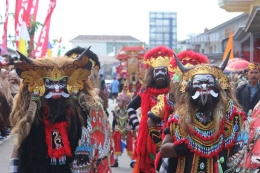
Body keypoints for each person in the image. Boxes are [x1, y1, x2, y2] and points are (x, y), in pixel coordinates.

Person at [9, 49, 113, 173]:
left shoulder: (87, 111)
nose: (57, 87)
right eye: (49, 82)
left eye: (62, 81)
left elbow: (101, 155)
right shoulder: (32, 113)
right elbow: (19, 145)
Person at [160, 51, 246, 172]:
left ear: (219, 86)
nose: (204, 87)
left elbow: (244, 146)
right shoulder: (178, 118)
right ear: (188, 89)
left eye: (209, 83)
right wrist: (184, 147)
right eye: (199, 83)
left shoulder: (233, 116)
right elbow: (164, 150)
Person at [127, 46, 173, 173]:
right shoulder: (145, 91)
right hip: (148, 138)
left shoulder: (174, 93)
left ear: (168, 73)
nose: (159, 74)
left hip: (168, 136)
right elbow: (130, 107)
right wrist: (138, 126)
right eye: (156, 71)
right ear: (152, 74)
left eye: (163, 71)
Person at [111, 81, 135, 168]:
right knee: (117, 146)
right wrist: (113, 128)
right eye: (118, 100)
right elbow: (114, 121)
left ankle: (133, 160)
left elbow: (132, 121)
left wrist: (132, 127)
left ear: (125, 102)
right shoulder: (116, 111)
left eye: (120, 100)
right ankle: (115, 160)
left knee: (130, 146)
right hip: (118, 131)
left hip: (127, 131)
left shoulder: (129, 111)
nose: (118, 102)